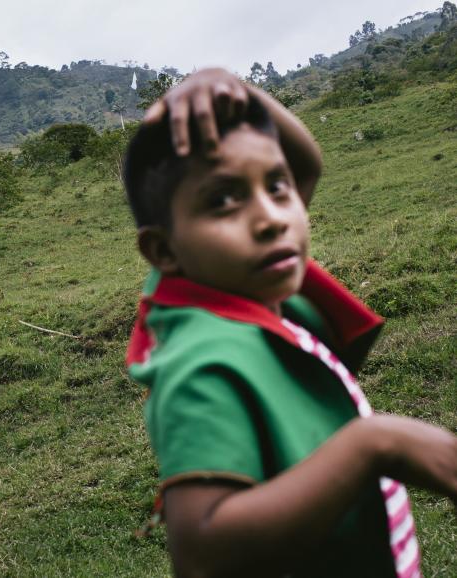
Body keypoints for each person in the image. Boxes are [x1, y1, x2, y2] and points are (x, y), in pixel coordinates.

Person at [123, 68, 456, 578]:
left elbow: (304, 162)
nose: (273, 217)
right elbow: (201, 554)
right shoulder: (201, 368)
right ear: (164, 250)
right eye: (223, 200)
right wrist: (375, 444)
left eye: (277, 187)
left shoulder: (239, 288)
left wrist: (232, 89)